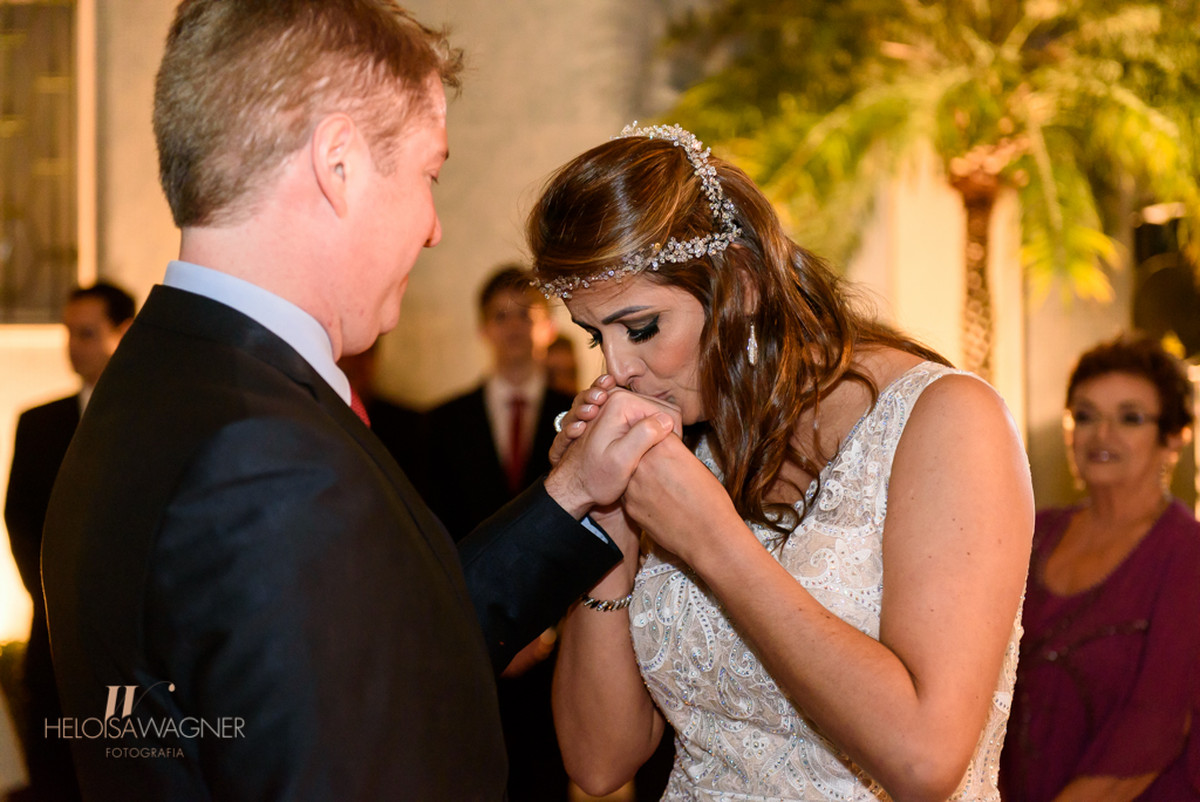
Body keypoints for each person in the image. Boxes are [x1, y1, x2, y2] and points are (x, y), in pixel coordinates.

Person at [38, 5, 675, 801]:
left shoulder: (166, 378)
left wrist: (570, 494)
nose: (436, 227)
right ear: (337, 164)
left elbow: (386, 642)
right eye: (429, 172)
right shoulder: (262, 458)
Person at [530, 123, 1034, 800]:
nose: (618, 370)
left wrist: (714, 540)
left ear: (738, 282)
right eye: (597, 337)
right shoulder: (686, 438)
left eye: (643, 327)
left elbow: (924, 761)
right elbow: (598, 761)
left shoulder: (945, 421)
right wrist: (610, 523)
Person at [999, 335, 1200, 801]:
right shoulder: (1034, 533)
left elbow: (1156, 725)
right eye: (1085, 416)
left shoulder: (1187, 553)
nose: (1101, 435)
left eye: (1129, 418)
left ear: (1173, 436)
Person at [424, 264, 577, 801]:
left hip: (558, 652)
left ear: (547, 326)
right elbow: (437, 539)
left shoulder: (582, 419)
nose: (513, 326)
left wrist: (548, 632)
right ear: (483, 329)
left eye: (526, 313)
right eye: (500, 316)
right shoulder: (441, 424)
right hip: (470, 648)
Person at [4, 281, 135, 802]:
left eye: (87, 333)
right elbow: (19, 520)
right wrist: (53, 597)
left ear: (122, 334)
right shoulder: (37, 424)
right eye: (69, 333)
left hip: (132, 645)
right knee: (54, 774)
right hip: (54, 637)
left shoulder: (153, 419)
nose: (73, 347)